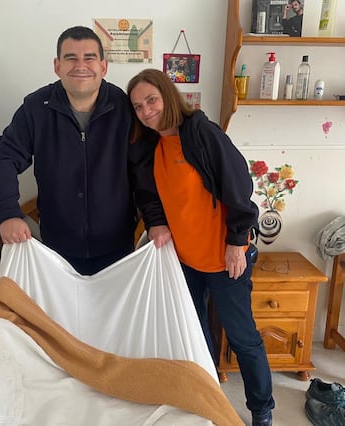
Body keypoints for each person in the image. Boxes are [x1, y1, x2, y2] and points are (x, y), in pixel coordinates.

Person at [127, 69, 275, 426]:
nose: (146, 111)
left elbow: (239, 187)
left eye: (151, 100)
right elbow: (149, 196)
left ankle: (261, 408)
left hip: (225, 260)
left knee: (242, 338)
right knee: (195, 334)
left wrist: (237, 243)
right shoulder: (150, 146)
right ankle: (209, 400)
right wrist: (156, 222)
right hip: (185, 262)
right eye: (137, 107)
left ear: (167, 95)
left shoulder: (201, 133)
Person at [0, 26, 168, 275]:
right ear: (57, 66)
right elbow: (5, 156)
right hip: (57, 248)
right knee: (59, 315)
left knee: (112, 313)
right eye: (71, 58)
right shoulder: (35, 108)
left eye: (89, 58)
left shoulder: (126, 109)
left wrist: (156, 220)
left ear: (103, 67)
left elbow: (145, 171)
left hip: (117, 247)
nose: (80, 65)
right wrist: (8, 213)